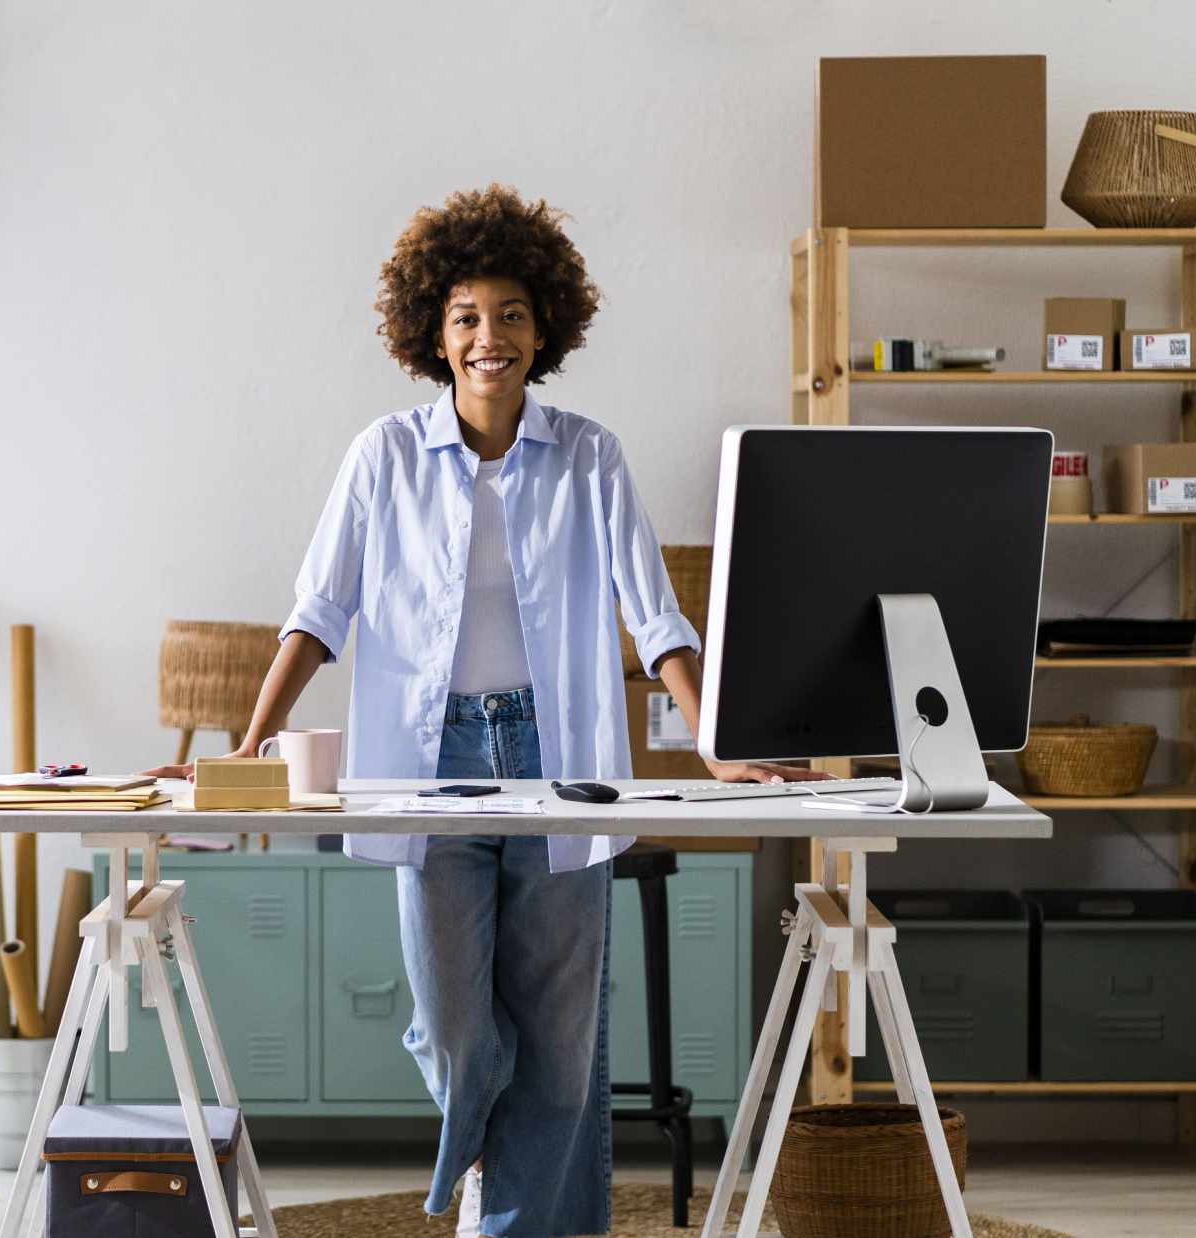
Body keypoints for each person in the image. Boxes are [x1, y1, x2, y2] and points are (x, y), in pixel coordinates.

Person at [149, 184, 823, 1238]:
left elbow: (655, 618)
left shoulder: (590, 454)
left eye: (510, 313)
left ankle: (504, 1221)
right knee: (460, 1029)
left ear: (543, 326)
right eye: (465, 315)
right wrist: (244, 743)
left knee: (560, 1039)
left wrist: (717, 744)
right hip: (429, 763)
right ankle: (487, 1147)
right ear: (433, 332)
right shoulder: (381, 457)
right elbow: (318, 612)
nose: (488, 336)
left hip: (562, 760)